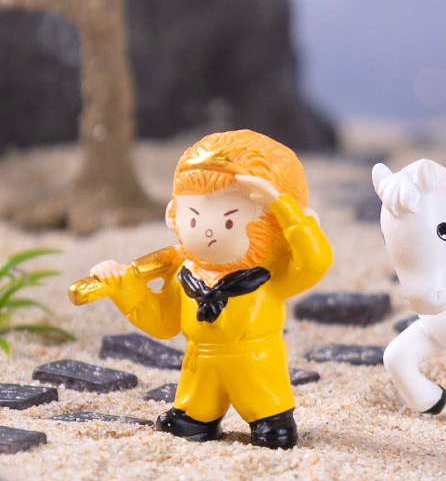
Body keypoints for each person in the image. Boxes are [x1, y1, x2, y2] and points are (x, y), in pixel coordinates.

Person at [73, 129, 332, 447]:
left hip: (258, 369)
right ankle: (197, 418)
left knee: (272, 430)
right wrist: (121, 287)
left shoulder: (271, 277)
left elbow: (315, 262)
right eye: (193, 219)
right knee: (187, 420)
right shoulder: (183, 275)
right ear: (173, 215)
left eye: (229, 221)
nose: (208, 231)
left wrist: (284, 209)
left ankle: (271, 420)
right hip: (198, 372)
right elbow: (162, 322)